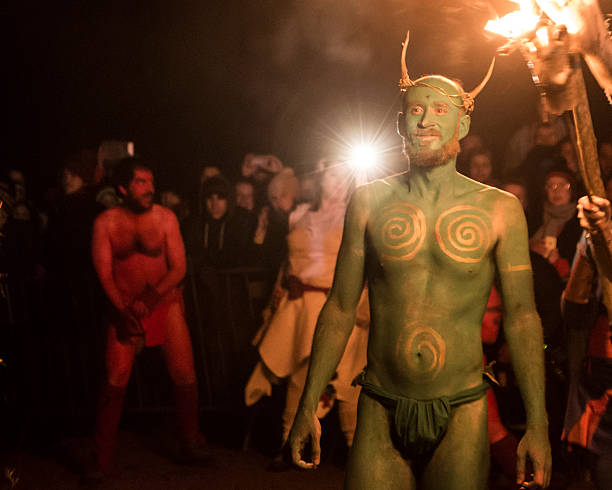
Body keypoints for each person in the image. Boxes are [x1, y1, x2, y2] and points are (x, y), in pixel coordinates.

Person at [289, 34, 551, 489]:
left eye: (439, 110)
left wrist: (538, 427)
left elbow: (523, 317)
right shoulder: (368, 201)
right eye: (415, 110)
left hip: (462, 407)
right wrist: (307, 404)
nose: (426, 120)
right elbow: (339, 307)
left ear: (463, 129)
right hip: (380, 403)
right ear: (399, 124)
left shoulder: (499, 209)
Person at [89, 157, 208, 478]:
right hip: (125, 307)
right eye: (141, 182)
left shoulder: (165, 218)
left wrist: (152, 297)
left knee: (184, 372)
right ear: (124, 187)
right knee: (116, 377)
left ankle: (190, 442)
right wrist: (123, 308)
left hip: (164, 303)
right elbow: (104, 273)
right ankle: (101, 461)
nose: (149, 188)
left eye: (151, 182)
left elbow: (179, 267)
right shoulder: (106, 223)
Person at [246, 159, 368, 467]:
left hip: (337, 305)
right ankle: (292, 444)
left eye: (344, 176)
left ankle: (357, 452)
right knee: (302, 376)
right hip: (300, 304)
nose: (337, 182)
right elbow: (286, 262)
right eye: (331, 175)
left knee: (346, 381)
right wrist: (279, 291)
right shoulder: (299, 214)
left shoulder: (357, 216)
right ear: (321, 180)